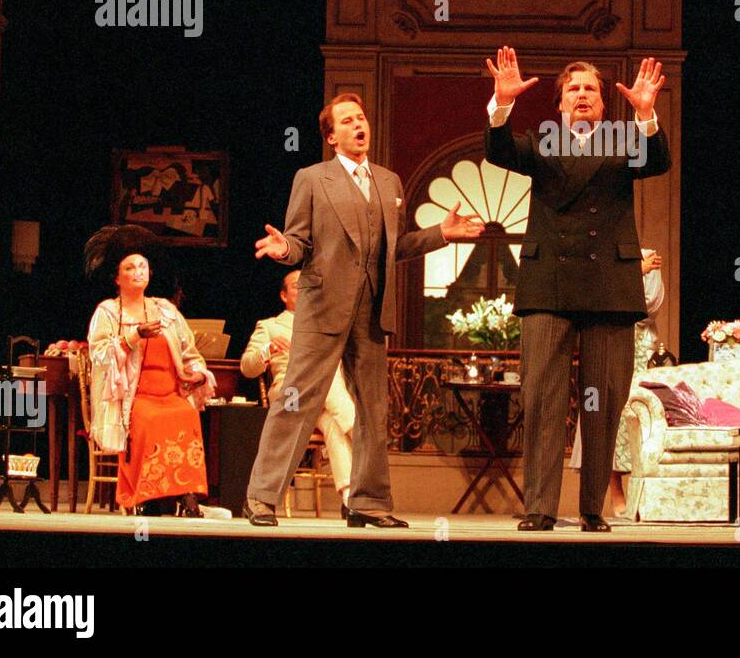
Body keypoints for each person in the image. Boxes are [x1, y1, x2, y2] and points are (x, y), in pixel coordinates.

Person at [244, 93, 483, 528]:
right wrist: (284, 250)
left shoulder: (389, 183)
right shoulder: (313, 178)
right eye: (348, 120)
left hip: (372, 311)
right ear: (332, 136)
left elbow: (397, 247)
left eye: (361, 118)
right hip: (322, 309)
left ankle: (367, 503)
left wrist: (441, 234)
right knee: (297, 402)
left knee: (373, 410)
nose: (359, 125)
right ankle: (261, 498)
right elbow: (298, 241)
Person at [485, 47, 670, 531]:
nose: (583, 94)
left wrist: (647, 113)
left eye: (591, 89)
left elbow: (659, 161)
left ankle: (592, 508)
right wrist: (501, 105)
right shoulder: (539, 144)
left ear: (605, 105)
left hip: (610, 285)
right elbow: (500, 150)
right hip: (549, 284)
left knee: (604, 397)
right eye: (573, 89)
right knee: (542, 396)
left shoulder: (625, 140)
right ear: (560, 104)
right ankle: (540, 508)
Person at [84, 226, 215, 517]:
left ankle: (187, 493)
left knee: (185, 413)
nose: (138, 272)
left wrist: (197, 373)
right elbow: (99, 354)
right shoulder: (108, 312)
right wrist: (133, 337)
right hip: (135, 398)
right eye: (130, 267)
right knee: (151, 419)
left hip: (170, 393)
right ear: (117, 278)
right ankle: (150, 495)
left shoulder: (166, 310)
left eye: (142, 266)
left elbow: (190, 352)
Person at [240, 270, 356, 513]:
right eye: (296, 286)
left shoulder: (325, 326)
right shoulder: (270, 326)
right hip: (290, 396)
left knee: (334, 420)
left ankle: (349, 498)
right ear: (284, 295)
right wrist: (267, 350)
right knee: (326, 380)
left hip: (322, 401)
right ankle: (358, 430)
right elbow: (247, 367)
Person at [567, 248, 665, 517]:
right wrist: (635, 274)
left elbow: (649, 308)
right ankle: (613, 492)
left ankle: (640, 491)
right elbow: (596, 299)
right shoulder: (597, 257)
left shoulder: (647, 254)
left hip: (640, 350)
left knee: (637, 415)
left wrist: (629, 278)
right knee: (605, 413)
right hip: (604, 340)